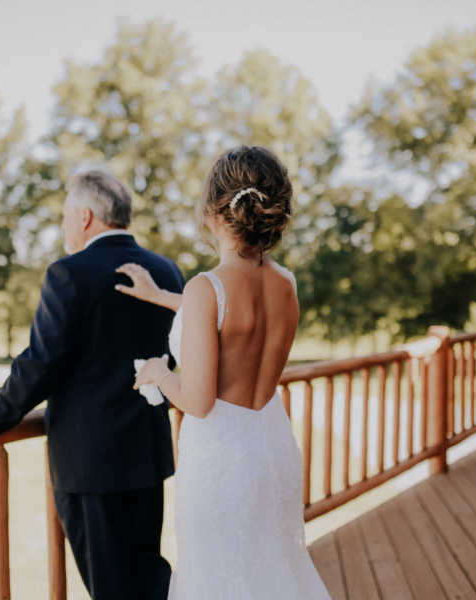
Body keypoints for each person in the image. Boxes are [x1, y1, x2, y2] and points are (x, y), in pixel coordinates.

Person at [117, 146, 331, 598]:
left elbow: (197, 400)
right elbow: (235, 323)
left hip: (221, 464)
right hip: (271, 450)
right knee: (273, 575)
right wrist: (160, 296)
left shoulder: (205, 288)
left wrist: (159, 371)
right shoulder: (284, 283)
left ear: (215, 210)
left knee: (218, 581)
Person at [0, 170, 182, 600]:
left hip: (92, 465)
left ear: (84, 217)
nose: (63, 226)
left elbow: (41, 364)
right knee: (148, 580)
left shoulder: (69, 274)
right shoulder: (166, 270)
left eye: (65, 216)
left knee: (112, 589)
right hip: (146, 456)